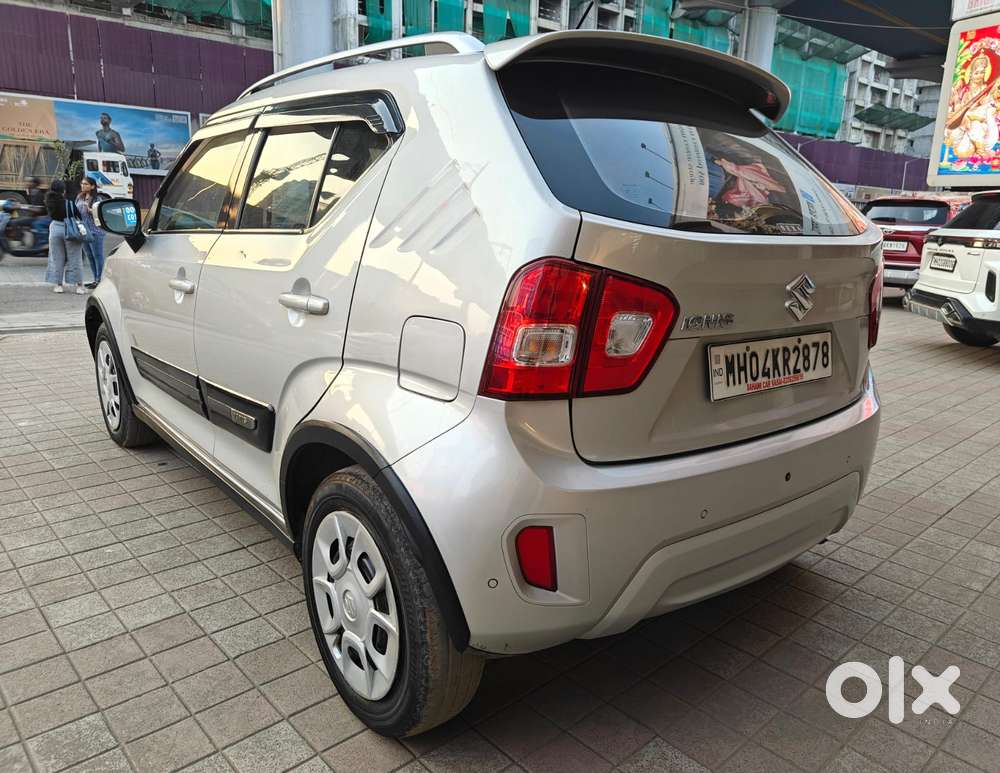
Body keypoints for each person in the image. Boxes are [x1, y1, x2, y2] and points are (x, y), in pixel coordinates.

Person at [45, 180, 85, 294]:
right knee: (75, 257)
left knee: (57, 258)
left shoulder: (49, 201)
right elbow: (78, 216)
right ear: (63, 190)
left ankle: (58, 285)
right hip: (70, 229)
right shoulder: (69, 203)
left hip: (54, 229)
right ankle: (79, 286)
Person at [76, 176, 104, 288]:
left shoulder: (97, 199)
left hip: (95, 231)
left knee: (98, 256)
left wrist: (90, 210)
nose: (83, 185)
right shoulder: (79, 197)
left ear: (92, 186)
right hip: (83, 231)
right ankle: (95, 279)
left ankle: (100, 280)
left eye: (86, 184)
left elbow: (101, 214)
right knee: (90, 256)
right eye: (82, 183)